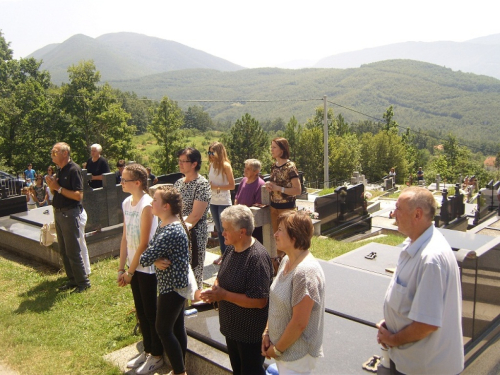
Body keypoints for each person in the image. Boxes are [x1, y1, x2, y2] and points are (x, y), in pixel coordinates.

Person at [376, 187, 464, 375]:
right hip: (411, 362)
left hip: (425, 368)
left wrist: (392, 338)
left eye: (398, 208)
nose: (393, 214)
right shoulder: (414, 244)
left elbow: (427, 324)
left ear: (417, 214)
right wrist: (392, 322)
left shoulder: (431, 259)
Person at [200, 205, 273, 375]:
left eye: (226, 229)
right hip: (231, 328)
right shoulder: (231, 249)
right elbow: (222, 275)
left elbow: (260, 301)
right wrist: (215, 289)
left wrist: (223, 295)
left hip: (249, 334)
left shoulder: (257, 258)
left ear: (241, 232)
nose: (222, 233)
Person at [262, 210, 325, 374]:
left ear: (294, 237)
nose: (275, 234)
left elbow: (299, 323)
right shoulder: (286, 261)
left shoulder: (305, 272)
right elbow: (276, 302)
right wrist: (267, 333)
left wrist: (276, 350)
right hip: (284, 354)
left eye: (280, 230)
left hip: (297, 358)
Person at [140, 186, 191, 375]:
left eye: (155, 200)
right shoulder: (165, 225)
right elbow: (151, 255)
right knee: (176, 327)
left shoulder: (170, 231)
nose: (151, 203)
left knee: (163, 329)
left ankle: (179, 371)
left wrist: (152, 258)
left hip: (173, 287)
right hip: (170, 285)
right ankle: (181, 368)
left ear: (166, 206)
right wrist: (155, 258)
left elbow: (144, 257)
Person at [118, 163, 163, 374]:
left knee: (150, 311)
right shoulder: (127, 202)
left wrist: (130, 272)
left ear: (137, 183)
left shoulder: (146, 205)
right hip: (133, 266)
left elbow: (144, 242)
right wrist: (122, 268)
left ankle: (157, 355)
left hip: (146, 267)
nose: (121, 182)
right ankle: (146, 350)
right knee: (140, 311)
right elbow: (126, 236)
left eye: (124, 179)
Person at [46, 142, 91, 293]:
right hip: (59, 212)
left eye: (55, 152)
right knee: (64, 250)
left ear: (65, 153)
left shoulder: (73, 170)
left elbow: (78, 195)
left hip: (70, 213)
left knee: (73, 250)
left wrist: (57, 188)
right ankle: (73, 280)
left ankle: (83, 282)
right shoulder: (60, 170)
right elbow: (58, 192)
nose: (52, 154)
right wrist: (53, 186)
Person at [174, 148, 211, 290]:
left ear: (194, 164)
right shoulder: (178, 183)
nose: (180, 164)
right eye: (179, 161)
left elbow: (195, 216)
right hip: (179, 231)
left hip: (194, 234)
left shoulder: (202, 184)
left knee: (194, 271)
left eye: (184, 161)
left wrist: (178, 229)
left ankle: (195, 304)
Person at [265, 137, 302, 259]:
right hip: (274, 208)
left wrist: (279, 189)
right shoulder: (273, 166)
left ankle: (291, 264)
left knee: (289, 241)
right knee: (278, 241)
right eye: (271, 147)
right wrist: (270, 186)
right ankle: (280, 268)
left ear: (282, 150)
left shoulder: (290, 166)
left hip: (287, 209)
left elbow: (297, 190)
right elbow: (275, 185)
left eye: (274, 147)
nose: (272, 149)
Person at [208, 142, 235, 265]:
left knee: (225, 229)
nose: (210, 155)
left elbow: (232, 185)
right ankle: (223, 255)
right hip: (213, 201)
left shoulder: (226, 166)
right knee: (218, 229)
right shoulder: (211, 165)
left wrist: (217, 186)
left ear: (219, 152)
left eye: (212, 152)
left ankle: (229, 255)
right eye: (209, 152)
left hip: (223, 201)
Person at [235, 158, 266, 243]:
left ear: (256, 171)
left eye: (248, 169)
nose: (245, 170)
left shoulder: (260, 184)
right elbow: (237, 196)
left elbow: (257, 205)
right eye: (245, 167)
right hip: (240, 217)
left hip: (252, 221)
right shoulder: (244, 180)